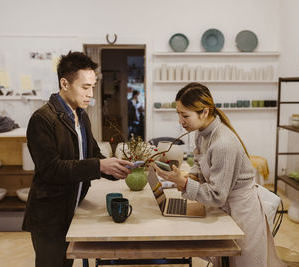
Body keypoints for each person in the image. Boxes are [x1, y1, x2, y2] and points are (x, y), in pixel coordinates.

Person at [154, 82, 285, 267]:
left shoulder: (223, 143)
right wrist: (189, 177)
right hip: (227, 207)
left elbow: (217, 195)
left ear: (204, 112)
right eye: (178, 114)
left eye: (185, 115)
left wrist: (183, 183)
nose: (180, 121)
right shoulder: (202, 133)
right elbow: (199, 164)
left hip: (242, 212)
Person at [22, 51, 133, 267]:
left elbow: (91, 155)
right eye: (85, 87)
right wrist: (100, 165)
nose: (91, 93)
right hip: (49, 216)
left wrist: (115, 169)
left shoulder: (80, 116)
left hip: (71, 208)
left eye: (93, 86)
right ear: (64, 83)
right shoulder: (42, 119)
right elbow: (51, 170)